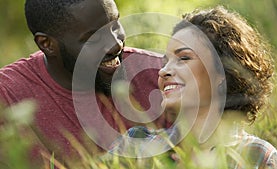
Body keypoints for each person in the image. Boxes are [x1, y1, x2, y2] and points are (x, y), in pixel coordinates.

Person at [0, 0, 164, 167]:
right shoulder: (6, 97)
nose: (116, 45)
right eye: (94, 38)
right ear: (47, 44)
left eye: (114, 26)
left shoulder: (161, 75)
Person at [156, 6, 277, 168]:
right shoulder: (139, 145)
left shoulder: (257, 155)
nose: (163, 71)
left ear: (222, 72)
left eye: (184, 58)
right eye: (165, 62)